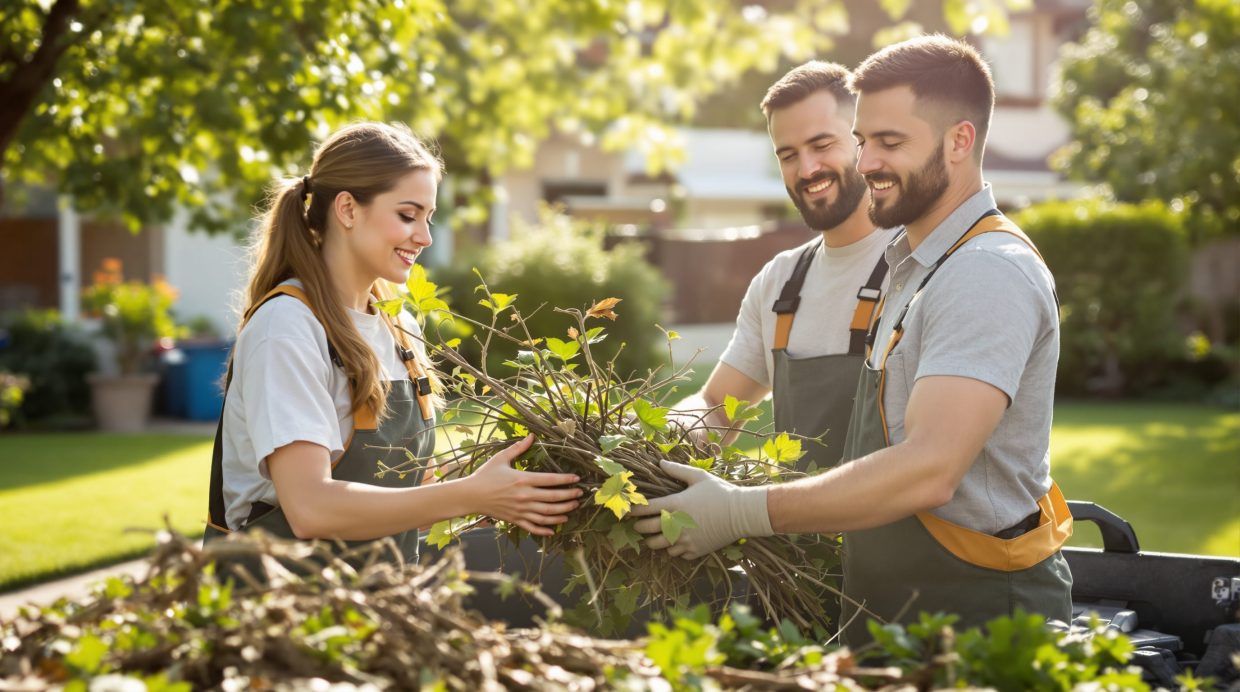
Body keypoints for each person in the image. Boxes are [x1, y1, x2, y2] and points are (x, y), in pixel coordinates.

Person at [635, 35, 1074, 643]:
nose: (867, 165)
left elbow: (929, 469)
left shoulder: (986, 271)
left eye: (889, 143)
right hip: (886, 609)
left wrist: (740, 510)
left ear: (959, 140)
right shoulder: (913, 267)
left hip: (978, 621)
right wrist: (641, 446)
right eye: (865, 143)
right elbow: (718, 404)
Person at [203, 122, 583, 574]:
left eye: (429, 218)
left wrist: (513, 489)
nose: (424, 237)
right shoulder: (287, 327)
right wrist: (471, 493)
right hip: (280, 611)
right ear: (347, 208)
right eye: (408, 215)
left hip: (381, 606)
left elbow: (401, 485)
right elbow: (310, 507)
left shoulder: (396, 324)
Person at [675, 60, 890, 472]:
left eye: (822, 145)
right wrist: (654, 433)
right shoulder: (780, 282)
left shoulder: (917, 265)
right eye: (788, 155)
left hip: (891, 534)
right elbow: (716, 407)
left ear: (862, 140)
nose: (806, 170)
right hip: (795, 532)